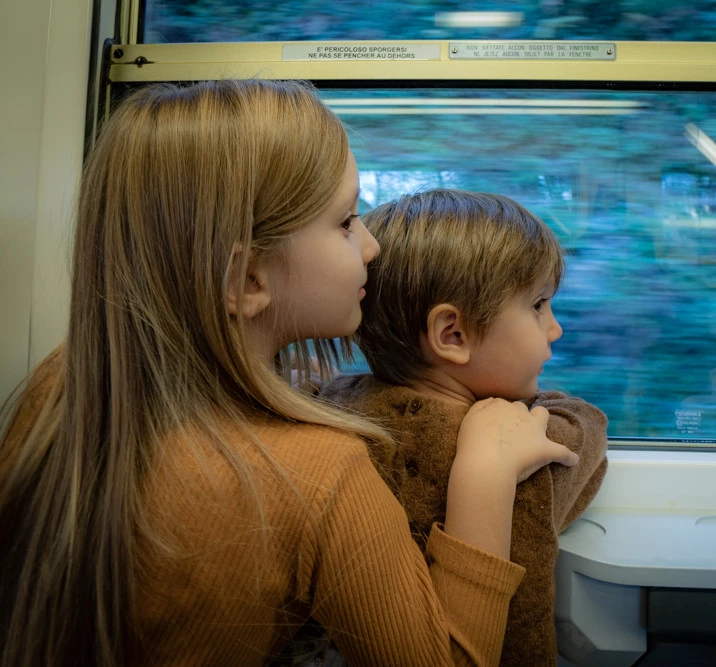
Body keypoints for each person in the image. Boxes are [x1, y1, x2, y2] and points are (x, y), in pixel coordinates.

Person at [0, 81, 581, 667]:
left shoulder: (61, 386)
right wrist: (484, 476)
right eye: (347, 222)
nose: (372, 247)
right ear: (247, 280)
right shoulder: (317, 473)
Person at [317, 189, 609, 667]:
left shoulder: (334, 409)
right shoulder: (527, 452)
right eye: (538, 305)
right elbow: (588, 431)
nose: (555, 329)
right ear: (452, 335)